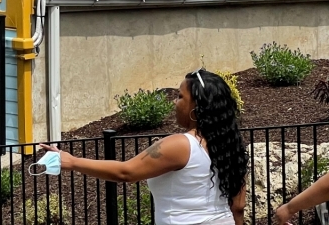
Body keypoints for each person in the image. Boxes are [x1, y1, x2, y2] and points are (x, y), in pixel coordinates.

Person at [41, 69, 248, 225]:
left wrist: (72, 161)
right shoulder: (230, 146)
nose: (175, 102)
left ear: (196, 105)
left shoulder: (181, 145)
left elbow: (126, 172)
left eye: (180, 96)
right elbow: (238, 207)